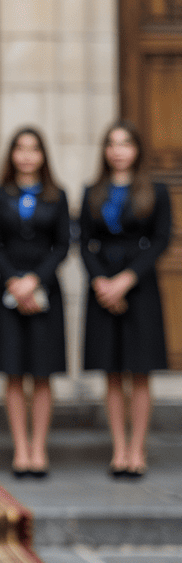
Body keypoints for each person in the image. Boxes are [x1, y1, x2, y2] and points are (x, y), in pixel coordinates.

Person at [81, 120, 171, 478]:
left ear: (137, 150)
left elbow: (162, 240)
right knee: (112, 373)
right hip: (102, 289)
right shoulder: (92, 191)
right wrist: (103, 282)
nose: (118, 150)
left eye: (126, 143)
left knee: (140, 374)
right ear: (105, 151)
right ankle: (119, 448)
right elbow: (84, 241)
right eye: (112, 144)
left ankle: (138, 449)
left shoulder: (156, 190)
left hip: (141, 288)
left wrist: (126, 281)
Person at [0, 127, 70, 478]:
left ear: (42, 156)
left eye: (34, 149)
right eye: (20, 148)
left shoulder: (57, 195)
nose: (27, 155)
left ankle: (39, 448)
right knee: (15, 373)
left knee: (42, 374)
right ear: (12, 155)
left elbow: (62, 245)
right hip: (8, 292)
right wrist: (15, 283)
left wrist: (35, 281)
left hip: (46, 291)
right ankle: (21, 448)